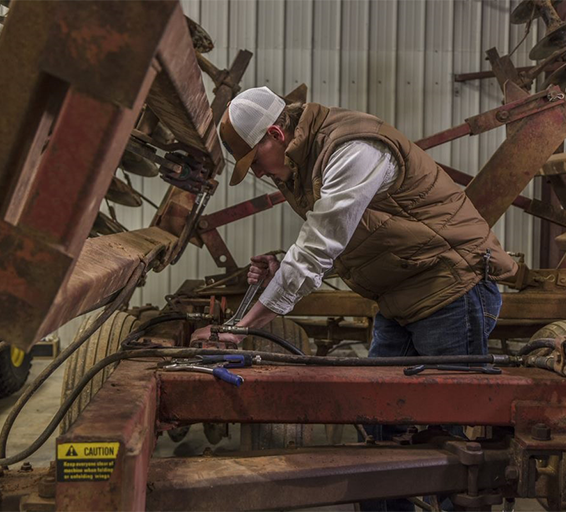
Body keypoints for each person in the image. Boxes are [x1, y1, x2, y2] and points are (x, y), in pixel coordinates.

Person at [190, 84, 517, 510]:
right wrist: (276, 272)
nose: (257, 173)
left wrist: (241, 329)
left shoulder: (352, 148)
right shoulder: (306, 162)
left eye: (255, 161)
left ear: (276, 134)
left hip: (451, 290)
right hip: (400, 298)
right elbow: (338, 240)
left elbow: (318, 247)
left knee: (450, 443)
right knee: (380, 428)